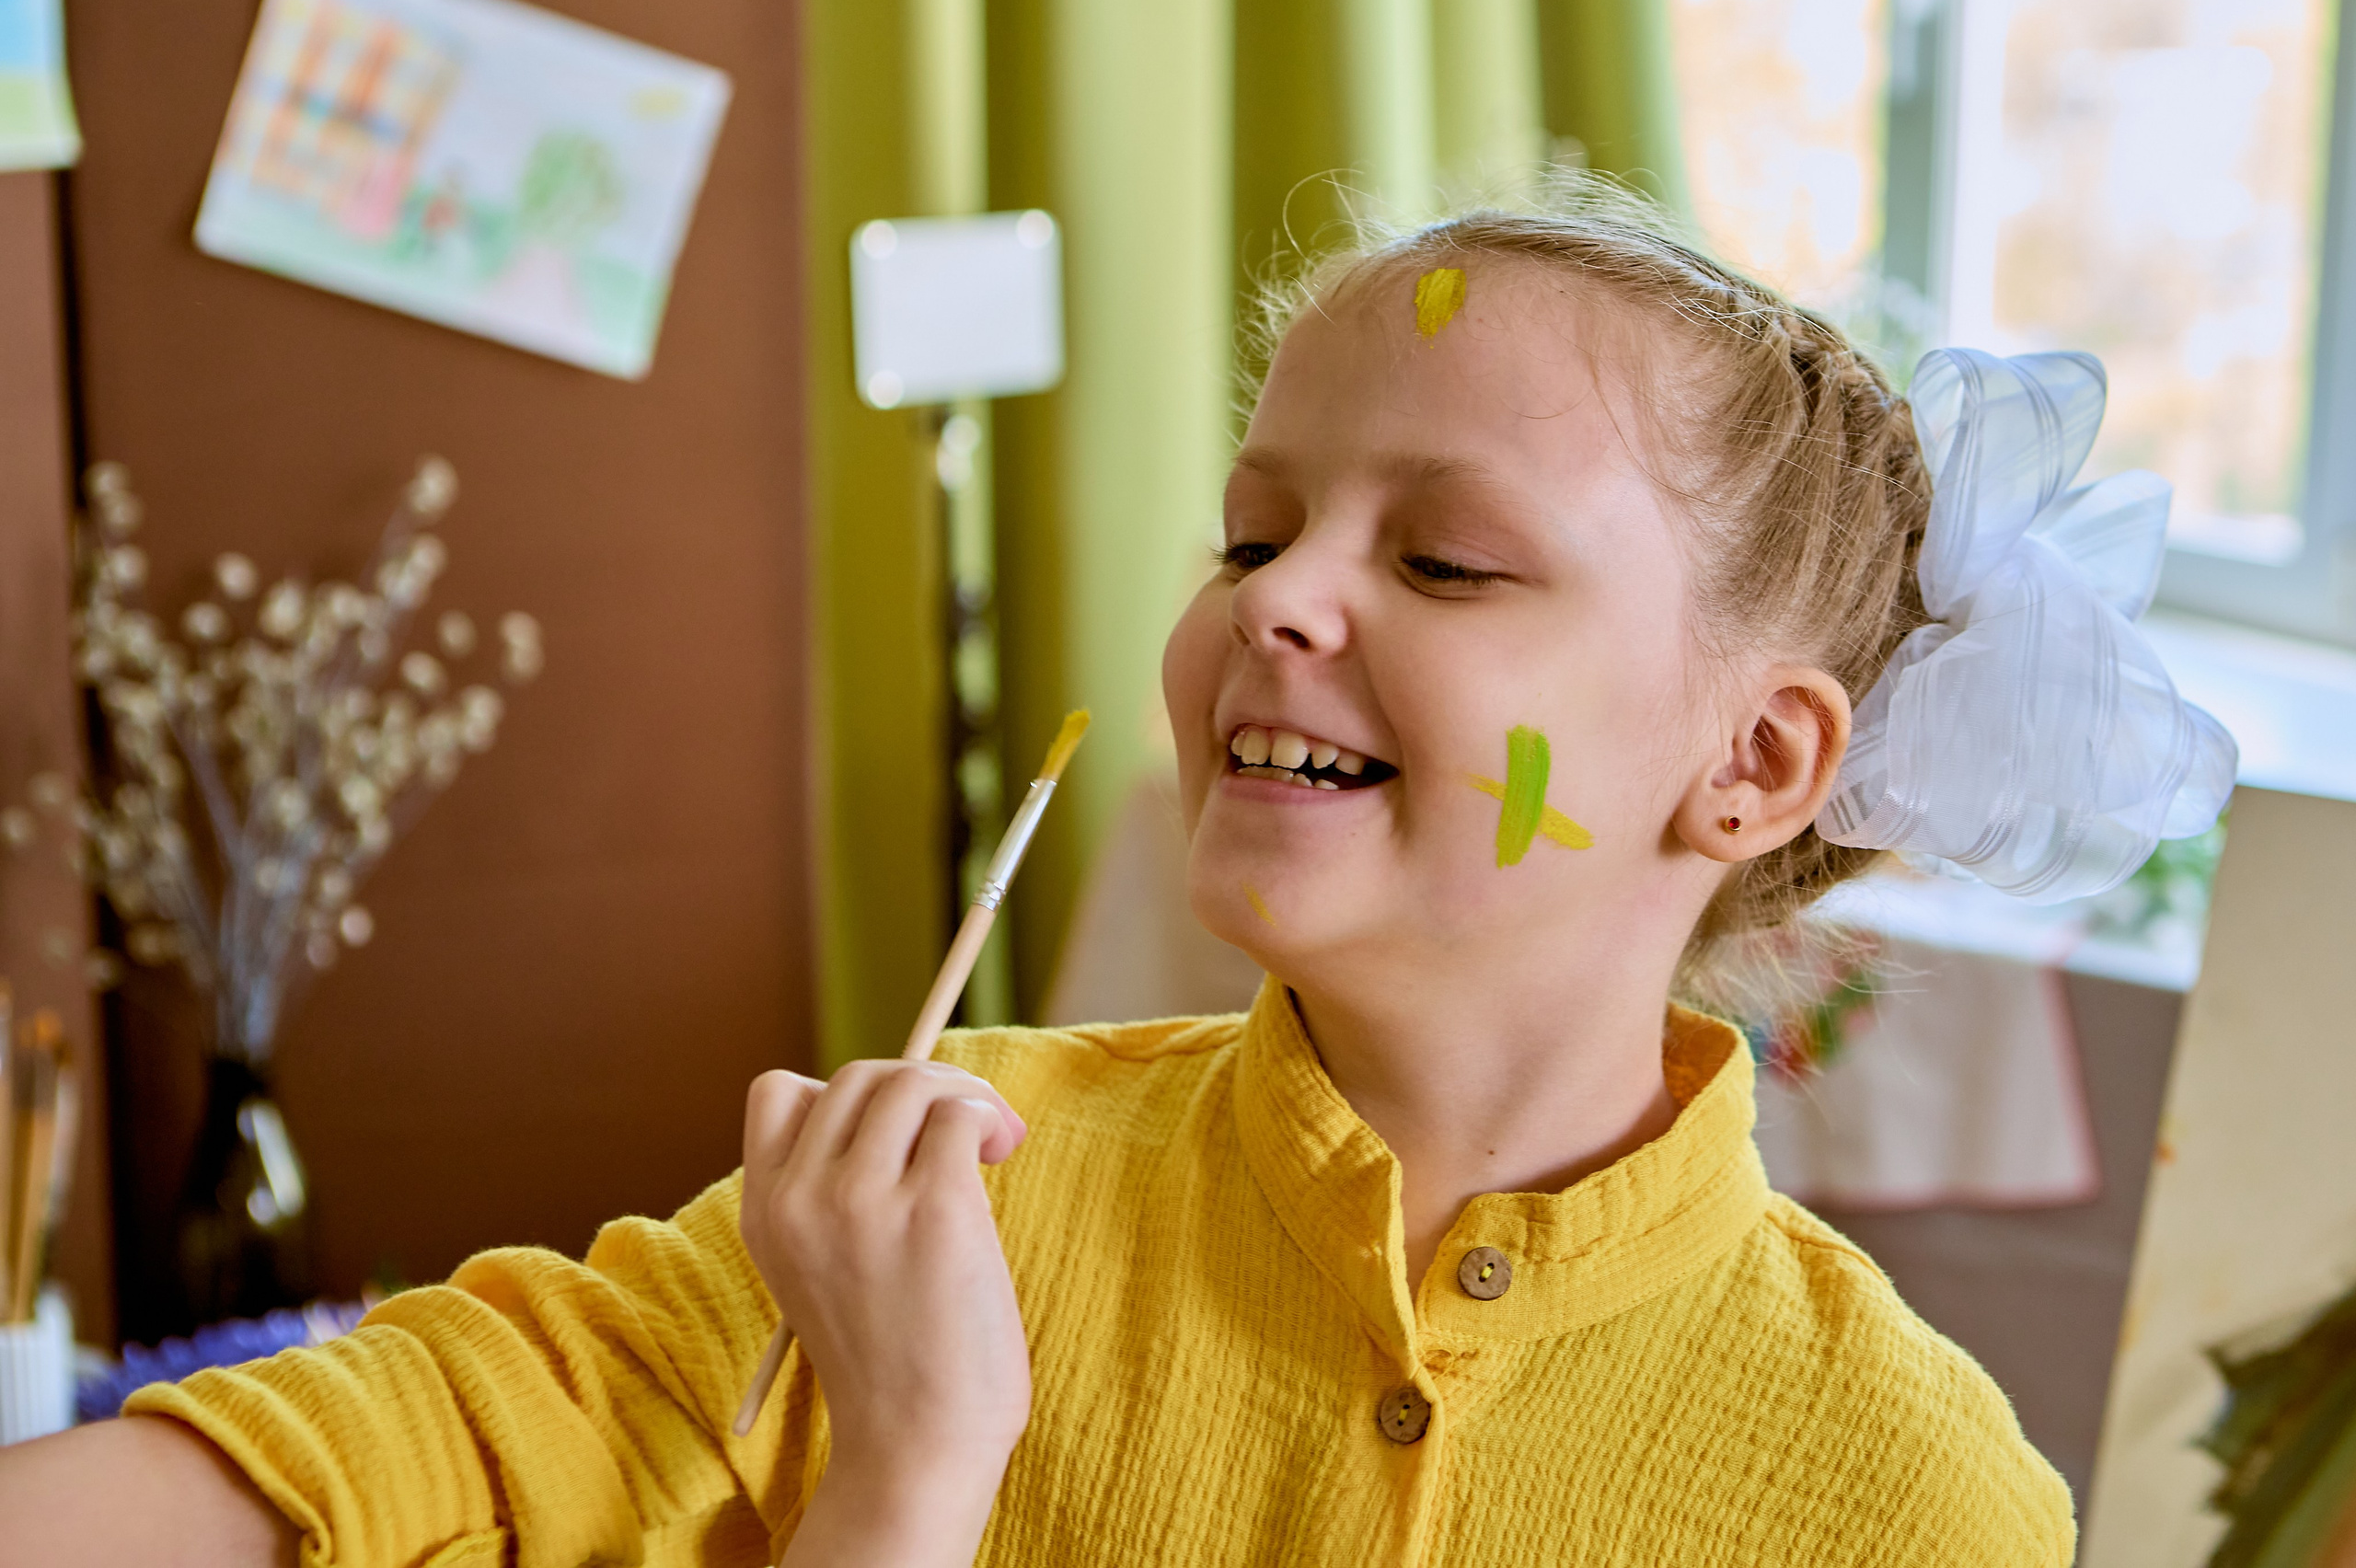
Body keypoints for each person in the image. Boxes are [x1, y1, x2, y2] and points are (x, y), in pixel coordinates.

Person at [0, 185, 2231, 1567]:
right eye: (1253, 528)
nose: (1274, 599)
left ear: (1750, 761)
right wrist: (902, 1467)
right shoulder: (936, 1186)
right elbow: (364, 1447)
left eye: (1440, 554)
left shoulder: (1912, 1498)